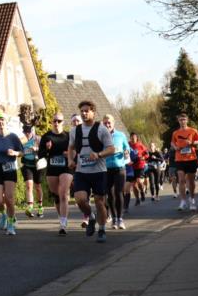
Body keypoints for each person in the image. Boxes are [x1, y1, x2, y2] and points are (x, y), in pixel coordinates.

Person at [67, 100, 115, 243]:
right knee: (80, 200)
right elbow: (71, 147)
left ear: (94, 112)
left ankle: (102, 230)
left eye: (87, 110)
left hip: (99, 171)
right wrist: (70, 160)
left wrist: (99, 154)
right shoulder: (74, 131)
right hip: (82, 171)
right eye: (82, 111)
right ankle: (91, 218)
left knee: (100, 202)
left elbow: (111, 149)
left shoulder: (102, 129)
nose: (84, 113)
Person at [0, 112, 23, 235]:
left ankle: (10, 224)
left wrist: (15, 153)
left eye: (2, 120)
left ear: (6, 121)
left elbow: (22, 152)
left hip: (10, 168)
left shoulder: (13, 137)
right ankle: (3, 214)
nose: (1, 122)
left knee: (9, 198)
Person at [38, 112, 73, 235]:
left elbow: (75, 152)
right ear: (51, 122)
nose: (56, 123)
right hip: (52, 168)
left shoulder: (68, 136)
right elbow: (40, 155)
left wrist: (69, 155)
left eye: (59, 121)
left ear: (63, 122)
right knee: (56, 195)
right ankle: (61, 217)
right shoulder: (46, 137)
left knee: (63, 194)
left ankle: (63, 224)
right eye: (54, 121)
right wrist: (46, 149)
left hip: (66, 168)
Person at [170, 113, 198, 211]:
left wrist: (192, 143)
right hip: (179, 159)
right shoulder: (175, 133)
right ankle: (183, 201)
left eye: (184, 119)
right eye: (180, 120)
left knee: (191, 181)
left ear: (187, 120)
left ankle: (192, 200)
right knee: (181, 180)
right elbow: (172, 142)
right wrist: (176, 147)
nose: (182, 121)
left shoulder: (193, 131)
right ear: (178, 121)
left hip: (191, 158)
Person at [102, 114, 129, 230]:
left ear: (113, 123)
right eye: (105, 123)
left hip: (119, 168)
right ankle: (114, 218)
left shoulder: (120, 135)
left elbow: (126, 147)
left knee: (119, 193)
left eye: (109, 123)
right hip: (106, 168)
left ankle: (120, 218)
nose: (107, 125)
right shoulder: (101, 136)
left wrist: (126, 151)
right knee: (110, 195)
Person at [19, 122, 44, 218]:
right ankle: (30, 206)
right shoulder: (21, 141)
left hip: (37, 165)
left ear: (32, 131)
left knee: (38, 186)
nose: (27, 134)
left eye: (29, 132)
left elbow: (44, 151)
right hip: (27, 165)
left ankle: (40, 206)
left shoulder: (37, 139)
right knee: (29, 185)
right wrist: (20, 152)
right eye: (25, 132)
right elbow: (19, 151)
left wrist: (36, 149)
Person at [128, 132, 149, 206]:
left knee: (139, 181)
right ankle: (137, 199)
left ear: (137, 138)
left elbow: (147, 154)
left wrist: (144, 157)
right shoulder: (128, 145)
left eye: (134, 137)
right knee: (134, 185)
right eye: (131, 137)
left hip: (140, 165)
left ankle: (142, 192)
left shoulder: (140, 145)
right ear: (130, 138)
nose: (133, 139)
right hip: (131, 167)